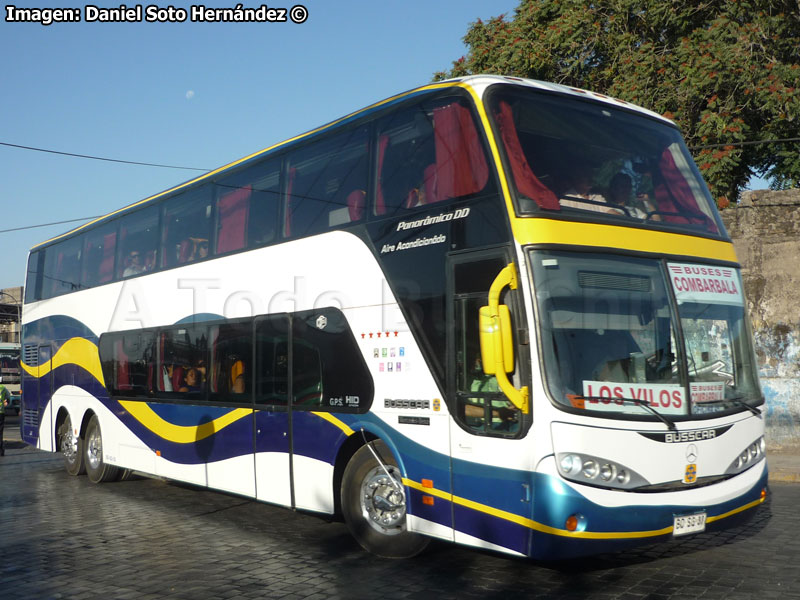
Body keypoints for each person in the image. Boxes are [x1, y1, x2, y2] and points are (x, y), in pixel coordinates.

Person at [0, 382, 9, 456]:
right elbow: (8, 397)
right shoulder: (3, 387)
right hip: (1, 412)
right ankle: (0, 451)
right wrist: (6, 401)